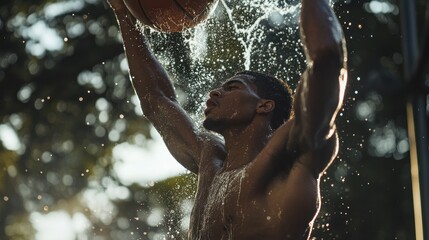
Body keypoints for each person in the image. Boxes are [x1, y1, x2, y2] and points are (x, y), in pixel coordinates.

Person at [107, 0, 347, 239]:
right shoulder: (209, 159)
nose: (215, 92)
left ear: (264, 106)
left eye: (233, 87)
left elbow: (326, 59)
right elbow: (155, 98)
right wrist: (121, 11)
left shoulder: (290, 158)